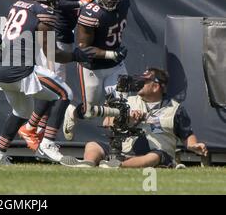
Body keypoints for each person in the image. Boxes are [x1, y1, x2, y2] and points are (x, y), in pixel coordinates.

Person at [0, 0, 96, 165]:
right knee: (65, 93)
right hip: (19, 70)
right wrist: (76, 55)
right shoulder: (44, 13)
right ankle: (47, 144)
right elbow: (53, 54)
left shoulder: (18, 4)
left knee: (21, 111)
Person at [17, 0, 99, 149]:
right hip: (52, 34)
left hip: (65, 35)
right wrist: (79, 4)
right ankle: (31, 128)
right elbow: (52, 0)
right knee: (55, 89)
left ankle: (38, 132)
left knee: (55, 90)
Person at [62, 68, 208, 168]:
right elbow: (107, 123)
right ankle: (88, 163)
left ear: (156, 86)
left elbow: (187, 135)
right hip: (124, 151)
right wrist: (125, 118)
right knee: (93, 145)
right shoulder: (127, 100)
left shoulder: (175, 109)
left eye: (143, 82)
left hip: (157, 152)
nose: (138, 84)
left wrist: (194, 146)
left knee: (154, 157)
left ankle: (117, 166)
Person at [62, 0, 129, 140]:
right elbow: (83, 49)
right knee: (89, 112)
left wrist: (115, 55)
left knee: (122, 106)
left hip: (115, 65)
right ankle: (72, 112)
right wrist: (112, 53)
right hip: (93, 66)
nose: (111, 0)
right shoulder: (91, 13)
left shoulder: (124, 0)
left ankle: (118, 148)